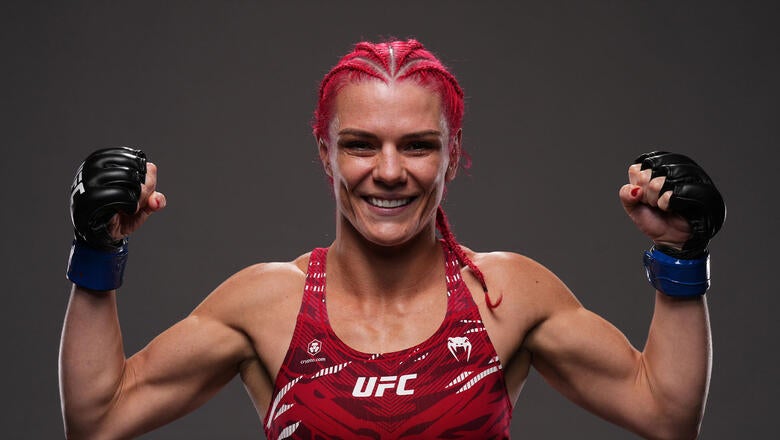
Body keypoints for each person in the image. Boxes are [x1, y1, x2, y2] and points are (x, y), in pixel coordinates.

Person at [59, 40, 725, 439]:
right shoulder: (268, 304)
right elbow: (99, 419)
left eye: (417, 146)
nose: (388, 171)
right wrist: (97, 251)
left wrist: (680, 257)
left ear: (452, 155)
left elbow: (666, 415)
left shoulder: (505, 296)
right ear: (325, 154)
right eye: (359, 145)